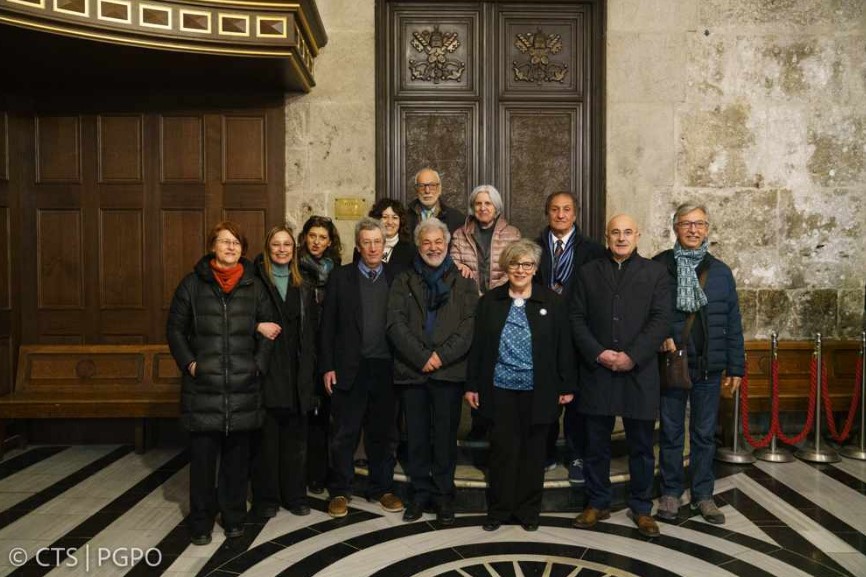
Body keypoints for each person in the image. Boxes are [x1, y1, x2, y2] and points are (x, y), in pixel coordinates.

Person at [166, 221, 274, 546]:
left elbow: (270, 329)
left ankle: (234, 517)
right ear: (213, 246)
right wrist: (191, 364)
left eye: (236, 243)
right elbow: (174, 330)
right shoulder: (192, 285)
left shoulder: (255, 285)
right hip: (204, 389)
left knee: (236, 463)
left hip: (243, 387)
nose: (231, 248)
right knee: (202, 464)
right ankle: (200, 522)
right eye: (225, 242)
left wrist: (258, 365)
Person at [570, 214, 670, 539]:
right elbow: (576, 318)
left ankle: (641, 507)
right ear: (606, 236)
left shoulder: (655, 273)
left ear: (638, 235)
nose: (622, 237)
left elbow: (660, 320)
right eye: (615, 232)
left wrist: (632, 356)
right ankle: (598, 501)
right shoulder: (587, 273)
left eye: (628, 232)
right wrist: (599, 353)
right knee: (595, 444)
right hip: (597, 370)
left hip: (638, 372)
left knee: (641, 446)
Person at [466, 239, 576, 532]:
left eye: (527, 264)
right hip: (499, 388)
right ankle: (499, 510)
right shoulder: (489, 301)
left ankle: (528, 512)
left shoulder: (552, 302)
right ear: (506, 266)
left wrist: (567, 385)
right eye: (514, 263)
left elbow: (564, 346)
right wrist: (472, 385)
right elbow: (478, 348)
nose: (520, 269)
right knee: (503, 451)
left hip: (539, 390)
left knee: (533, 452)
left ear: (535, 268)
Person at [653, 203, 745, 525]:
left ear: (707, 229)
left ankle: (704, 495)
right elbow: (649, 311)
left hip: (710, 366)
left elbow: (733, 321)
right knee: (672, 433)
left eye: (700, 224)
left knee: (705, 434)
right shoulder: (659, 267)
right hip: (673, 364)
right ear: (675, 228)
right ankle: (670, 492)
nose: (693, 230)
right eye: (686, 224)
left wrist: (736, 366)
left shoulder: (720, 271)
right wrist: (661, 335)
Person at [387, 218, 477, 525]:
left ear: (448, 243)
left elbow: (468, 328)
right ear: (417, 245)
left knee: (444, 439)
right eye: (426, 242)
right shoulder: (403, 279)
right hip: (413, 372)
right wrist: (422, 356)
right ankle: (420, 494)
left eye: (439, 241)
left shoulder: (464, 281)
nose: (433, 247)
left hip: (448, 374)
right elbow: (395, 324)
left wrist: (439, 357)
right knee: (417, 439)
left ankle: (443, 497)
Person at [320, 217, 404, 518]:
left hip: (386, 368)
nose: (372, 247)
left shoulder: (398, 276)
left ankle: (381, 489)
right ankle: (341, 491)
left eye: (377, 242)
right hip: (349, 368)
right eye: (366, 242)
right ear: (358, 245)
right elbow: (327, 326)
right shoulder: (341, 277)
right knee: (344, 432)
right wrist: (327, 366)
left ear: (384, 246)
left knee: (383, 434)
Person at [535, 191, 605, 480]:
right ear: (547, 213)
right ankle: (545, 452)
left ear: (575, 214)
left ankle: (577, 455)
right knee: (544, 395)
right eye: (555, 209)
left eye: (566, 210)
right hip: (544, 332)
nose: (560, 215)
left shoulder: (593, 250)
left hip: (579, 332)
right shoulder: (534, 247)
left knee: (577, 399)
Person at [251, 225, 318, 518]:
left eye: (287, 245)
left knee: (295, 438)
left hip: (297, 368)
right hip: (267, 368)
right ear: (268, 248)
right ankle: (267, 498)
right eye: (276, 244)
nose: (281, 249)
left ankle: (295, 495)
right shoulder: (253, 281)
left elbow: (311, 332)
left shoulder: (303, 283)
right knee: (267, 439)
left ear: (294, 250)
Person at [298, 215, 342, 495]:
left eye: (322, 237)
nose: (317, 242)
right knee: (300, 415)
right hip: (301, 349)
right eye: (312, 236)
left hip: (327, 349)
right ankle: (296, 474)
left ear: (330, 242)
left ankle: (318, 473)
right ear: (304, 238)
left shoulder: (335, 269)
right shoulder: (295, 267)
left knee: (324, 417)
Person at [450, 184, 521, 294]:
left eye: (488, 203)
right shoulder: (459, 234)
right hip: (469, 297)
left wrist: (491, 295)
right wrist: (459, 266)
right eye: (478, 204)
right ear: (473, 207)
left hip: (501, 297)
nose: (483, 208)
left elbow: (515, 268)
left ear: (496, 207)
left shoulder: (512, 234)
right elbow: (453, 265)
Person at [353, 198, 415, 275]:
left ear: (401, 222)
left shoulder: (411, 251)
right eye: (385, 217)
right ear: (376, 219)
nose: (390, 222)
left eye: (395, 218)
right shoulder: (362, 248)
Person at [405, 167, 466, 236]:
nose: (427, 191)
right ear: (416, 190)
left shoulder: (457, 218)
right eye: (421, 186)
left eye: (432, 185)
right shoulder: (404, 217)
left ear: (439, 189)